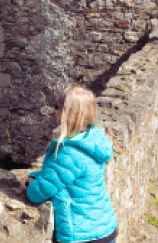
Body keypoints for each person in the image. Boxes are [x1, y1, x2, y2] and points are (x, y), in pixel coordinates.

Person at [20, 86, 119, 243]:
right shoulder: (91, 139)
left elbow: (37, 193)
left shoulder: (70, 153)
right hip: (105, 228)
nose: (55, 110)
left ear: (65, 112)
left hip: (83, 236)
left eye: (56, 106)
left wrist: (29, 184)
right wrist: (36, 175)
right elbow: (60, 176)